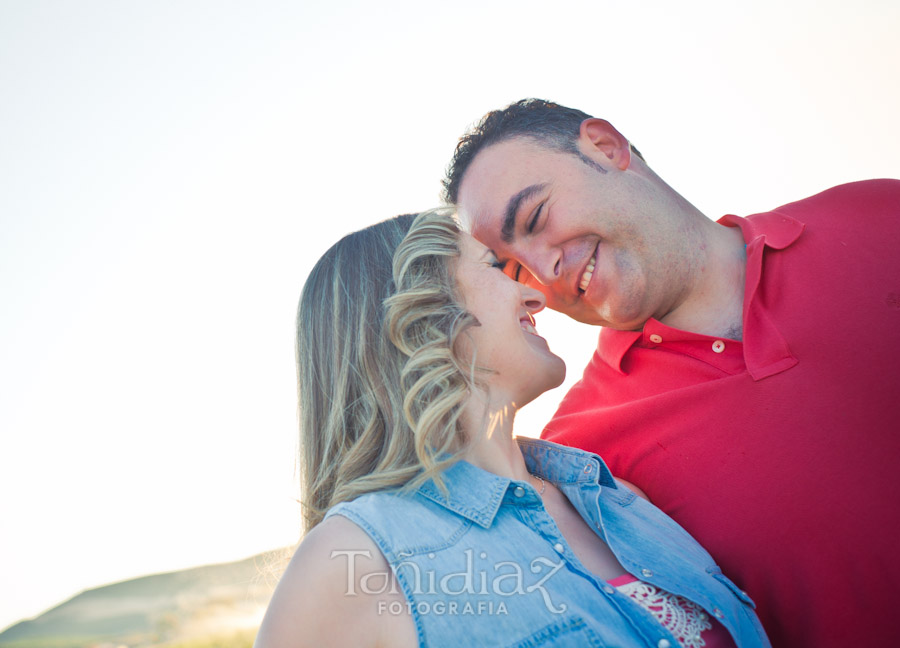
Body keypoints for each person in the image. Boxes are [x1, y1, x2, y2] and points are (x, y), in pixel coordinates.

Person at [442, 98, 900, 648]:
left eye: (536, 218)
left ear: (606, 148)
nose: (543, 273)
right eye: (515, 268)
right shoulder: (585, 460)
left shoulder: (879, 213)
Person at [255, 210, 770, 648]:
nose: (534, 297)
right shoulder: (353, 561)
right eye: (494, 269)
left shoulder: (615, 499)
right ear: (423, 314)